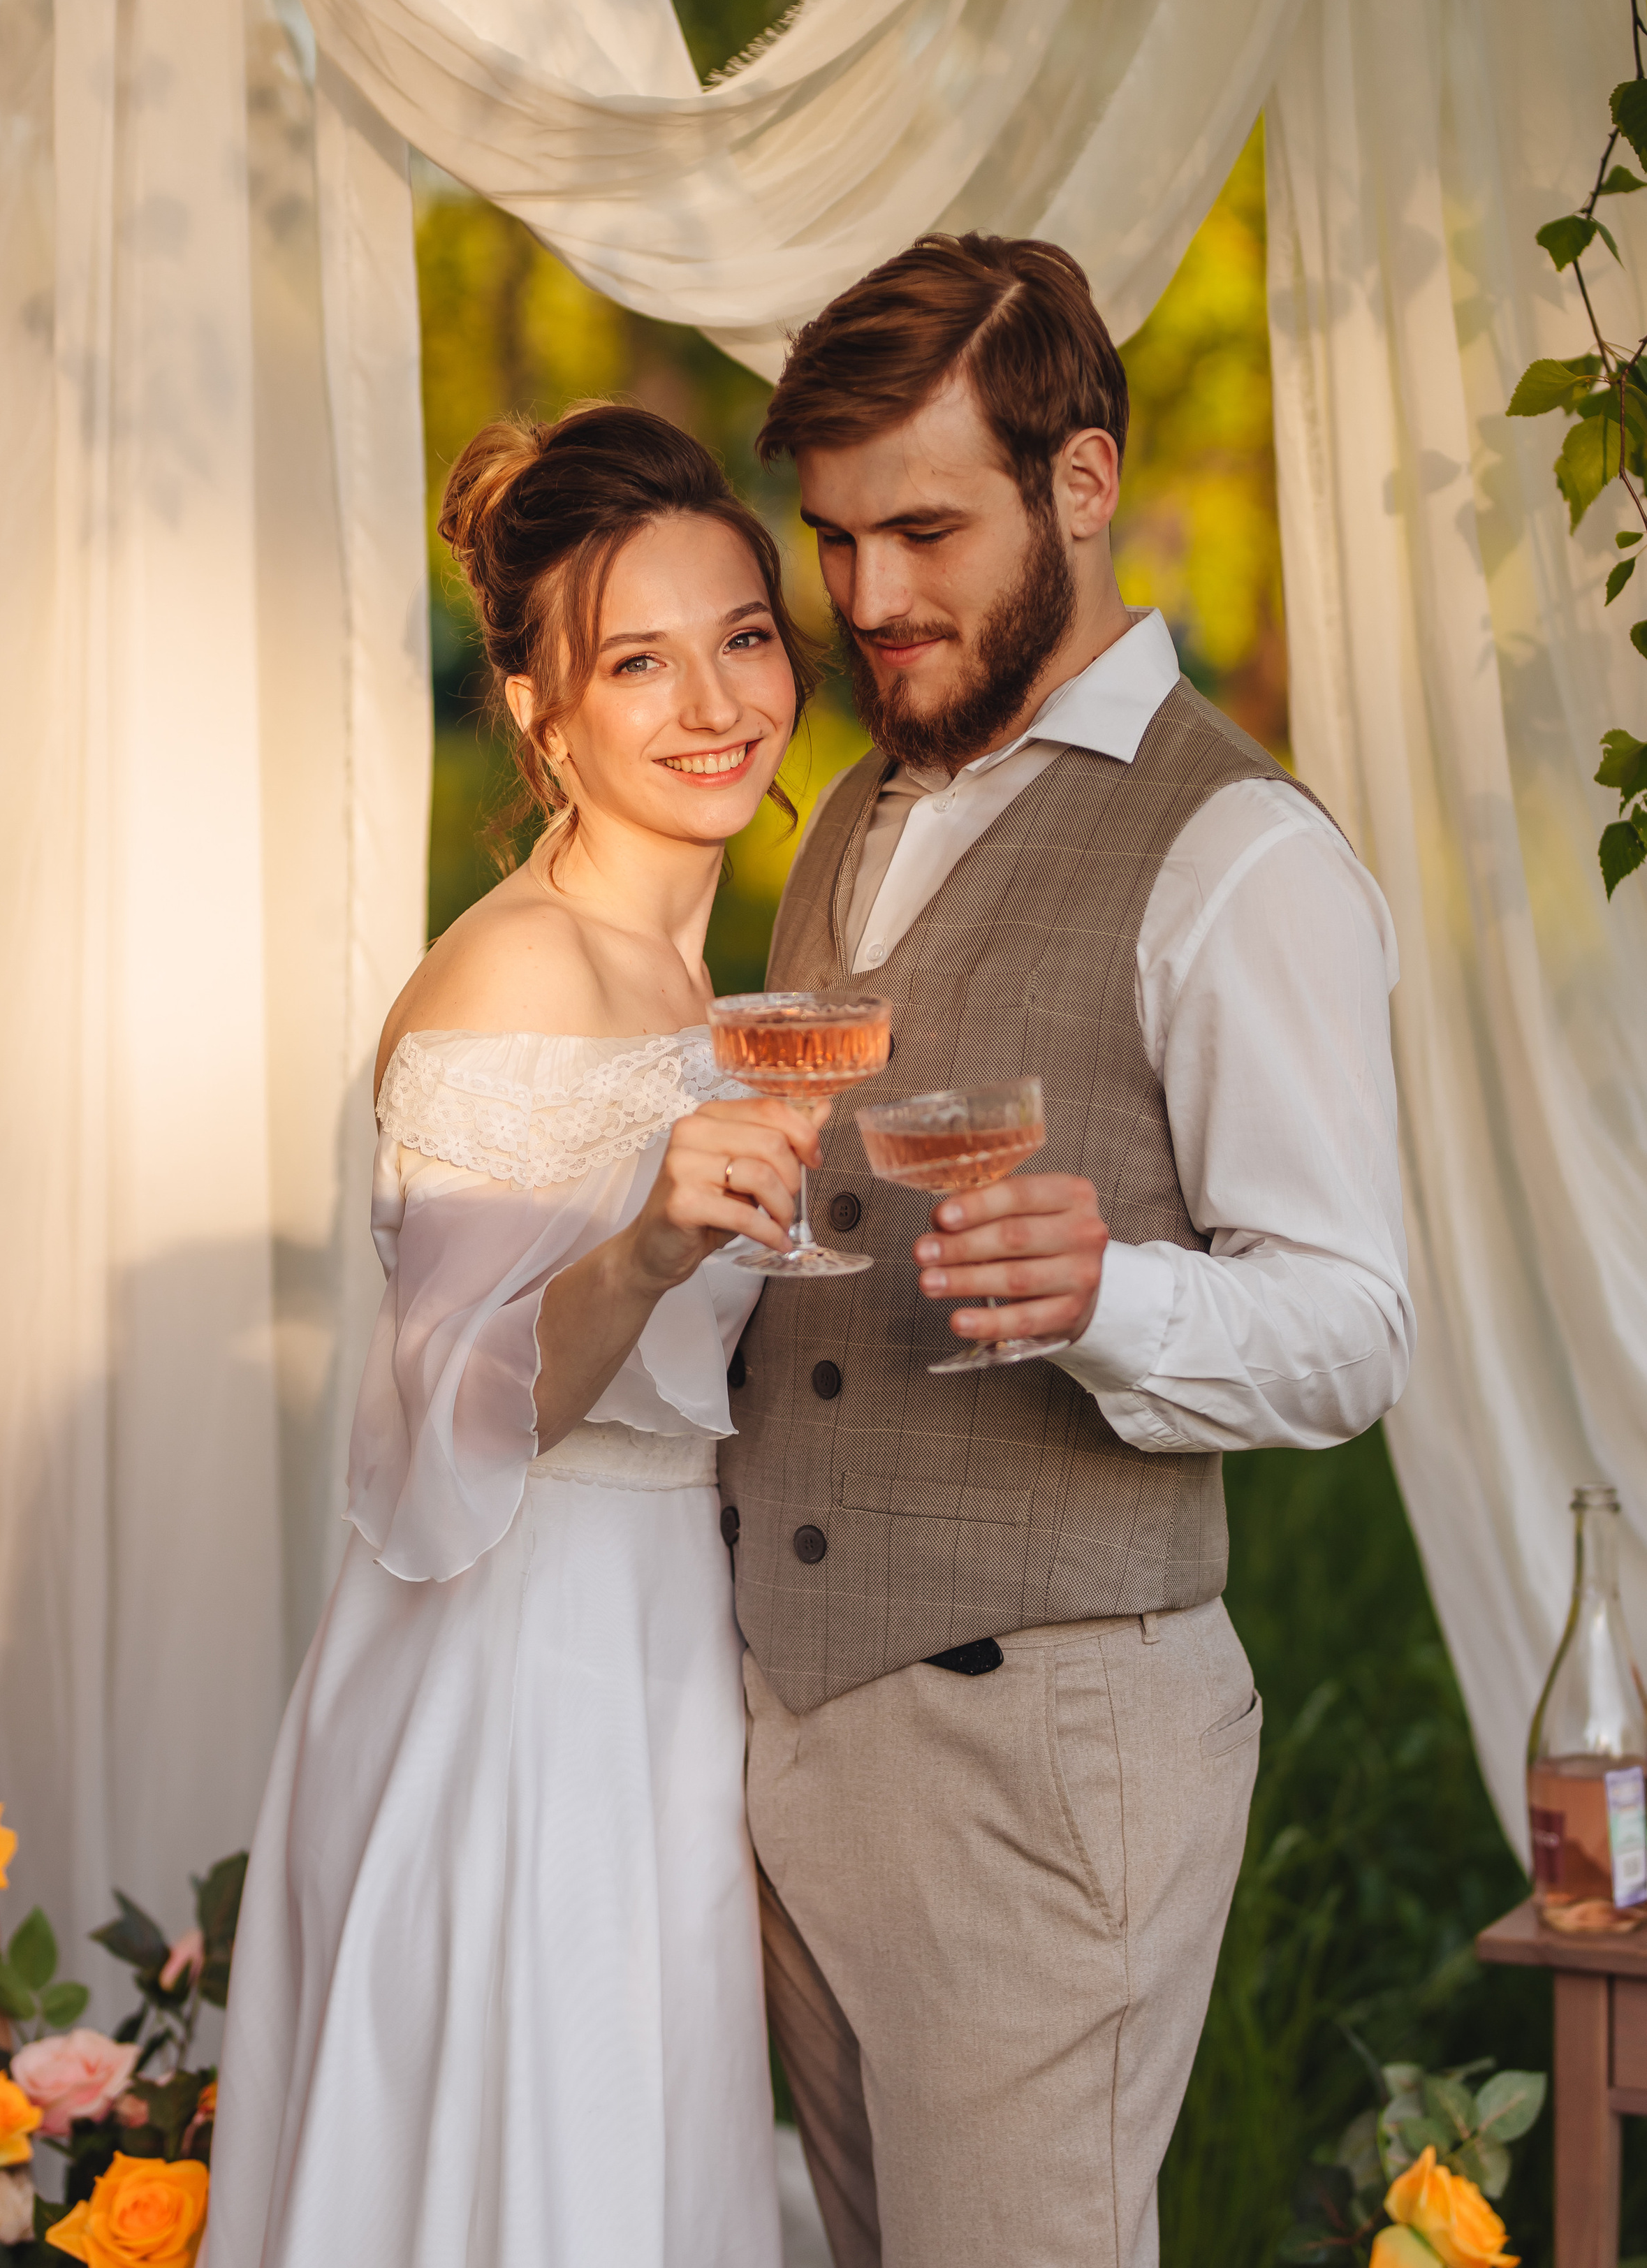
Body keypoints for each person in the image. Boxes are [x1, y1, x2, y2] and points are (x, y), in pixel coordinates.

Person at [717, 235, 1416, 2268]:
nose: (869, 599)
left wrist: (1110, 1292)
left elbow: (1352, 1328)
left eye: (925, 528)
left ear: (1083, 485)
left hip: (1043, 1753)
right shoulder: (850, 809)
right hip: (794, 1735)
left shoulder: (1243, 858)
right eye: (837, 539)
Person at [205, 403, 828, 2268]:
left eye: (741, 636)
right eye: (636, 661)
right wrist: (645, 1245)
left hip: (657, 1658)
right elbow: (444, 1405)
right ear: (548, 718)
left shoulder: (694, 976)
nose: (715, 699)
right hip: (522, 1683)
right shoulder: (508, 976)